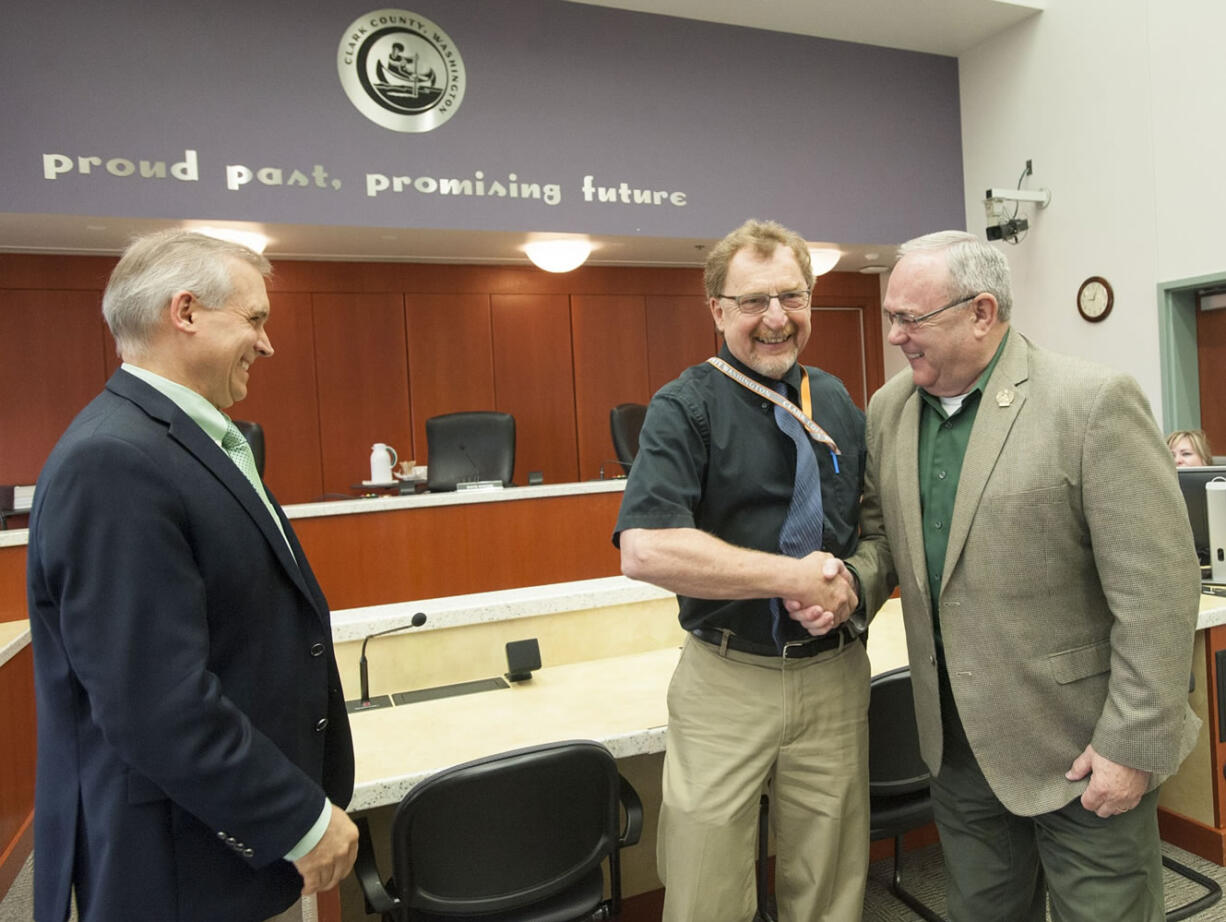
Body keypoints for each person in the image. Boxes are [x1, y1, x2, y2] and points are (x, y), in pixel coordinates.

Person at [799, 230, 1201, 922]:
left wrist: (1131, 745)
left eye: (910, 318)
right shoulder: (891, 409)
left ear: (982, 312)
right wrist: (846, 586)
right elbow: (883, 539)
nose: (894, 334)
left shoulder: (1090, 403)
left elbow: (1158, 593)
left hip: (1081, 750)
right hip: (957, 755)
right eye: (891, 315)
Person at [27, 231, 358, 922]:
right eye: (255, 318)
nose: (267, 345)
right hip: (173, 862)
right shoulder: (115, 459)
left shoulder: (176, 440)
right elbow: (153, 699)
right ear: (186, 313)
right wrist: (299, 817)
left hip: (212, 842)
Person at [614, 219, 867, 922]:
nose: (776, 318)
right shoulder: (684, 407)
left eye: (792, 296)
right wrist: (790, 579)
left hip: (834, 677)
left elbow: (871, 531)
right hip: (727, 679)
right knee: (706, 893)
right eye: (754, 301)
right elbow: (647, 549)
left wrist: (851, 586)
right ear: (718, 309)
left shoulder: (840, 403)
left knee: (831, 886)